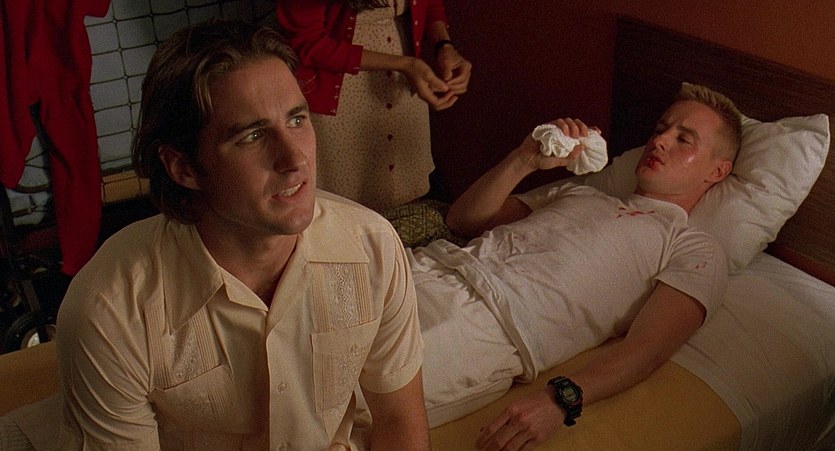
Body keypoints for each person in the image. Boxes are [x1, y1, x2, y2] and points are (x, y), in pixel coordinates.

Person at [55, 19, 429, 450]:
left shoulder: (372, 248)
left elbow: (399, 420)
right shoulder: (110, 311)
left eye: (297, 119)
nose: (294, 159)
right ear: (183, 167)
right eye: (252, 136)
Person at [411, 83, 741, 449]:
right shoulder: (580, 192)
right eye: (660, 129)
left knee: (364, 390)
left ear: (717, 170)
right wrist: (524, 159)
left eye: (684, 139)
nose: (660, 141)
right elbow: (462, 219)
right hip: (427, 267)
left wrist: (560, 399)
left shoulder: (692, 247)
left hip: (488, 322)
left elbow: (649, 348)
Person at [276, 0, 473, 211]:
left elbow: (431, 4)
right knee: (345, 209)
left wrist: (443, 45)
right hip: (341, 94)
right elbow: (307, 41)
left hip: (404, 83)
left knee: (402, 199)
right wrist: (404, 64)